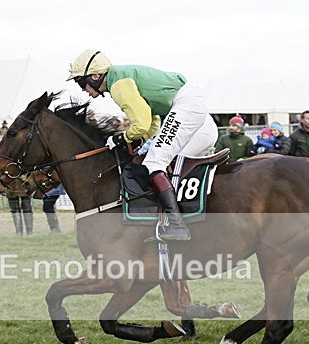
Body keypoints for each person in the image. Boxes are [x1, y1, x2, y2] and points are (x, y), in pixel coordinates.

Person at [67, 49, 218, 240]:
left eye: (81, 83)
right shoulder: (121, 78)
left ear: (95, 77)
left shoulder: (118, 85)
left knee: (154, 163)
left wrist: (120, 138)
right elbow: (152, 120)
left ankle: (177, 225)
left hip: (187, 108)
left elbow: (142, 123)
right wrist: (140, 141)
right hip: (196, 115)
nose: (82, 89)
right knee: (155, 159)